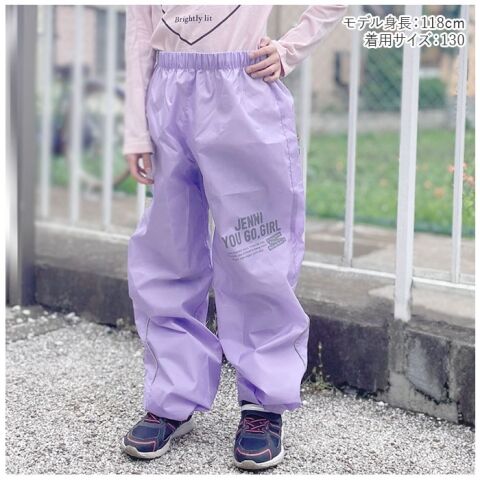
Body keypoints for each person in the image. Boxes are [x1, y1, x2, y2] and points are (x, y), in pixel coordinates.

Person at [121, 4, 347, 471]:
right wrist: (135, 130)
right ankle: (172, 397)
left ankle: (263, 402)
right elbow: (141, 32)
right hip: (168, 94)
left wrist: (289, 50)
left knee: (256, 254)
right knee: (168, 254)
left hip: (242, 90)